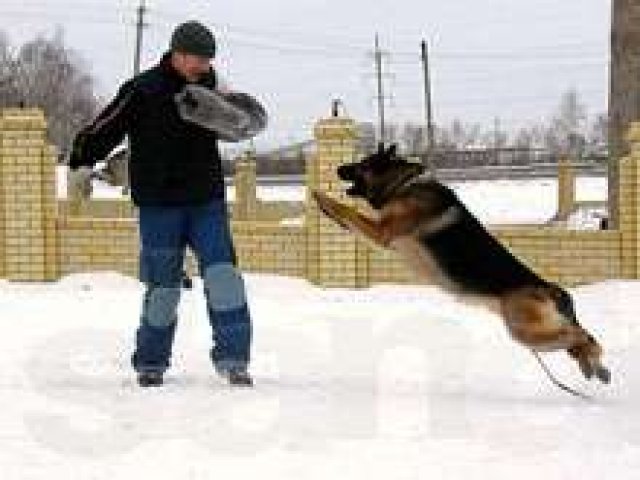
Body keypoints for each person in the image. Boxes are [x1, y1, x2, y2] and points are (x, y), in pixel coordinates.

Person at [68, 21, 254, 387]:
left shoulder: (213, 90)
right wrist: (80, 160)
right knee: (164, 288)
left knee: (224, 277)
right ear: (178, 53)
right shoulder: (144, 89)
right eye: (198, 59)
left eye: (208, 60)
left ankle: (234, 360)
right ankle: (151, 362)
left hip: (206, 199)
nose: (204, 67)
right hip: (159, 203)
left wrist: (239, 119)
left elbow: (245, 122)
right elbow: (107, 125)